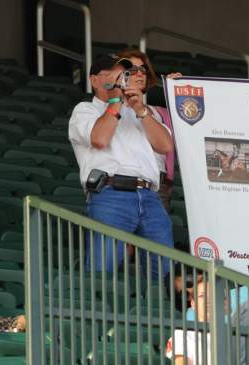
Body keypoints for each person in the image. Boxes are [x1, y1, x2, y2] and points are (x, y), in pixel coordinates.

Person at [69, 54, 174, 278]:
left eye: (124, 73)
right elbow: (99, 138)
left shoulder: (147, 112)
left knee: (163, 269)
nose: (121, 78)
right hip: (110, 192)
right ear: (95, 80)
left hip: (149, 196)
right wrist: (116, 100)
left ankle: (161, 310)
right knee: (103, 267)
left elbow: (165, 145)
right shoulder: (85, 110)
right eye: (113, 73)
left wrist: (140, 109)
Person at [117, 48, 177, 212]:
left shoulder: (161, 112)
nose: (140, 74)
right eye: (133, 70)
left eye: (143, 69)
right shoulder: (110, 109)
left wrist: (179, 91)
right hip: (123, 186)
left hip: (158, 188)